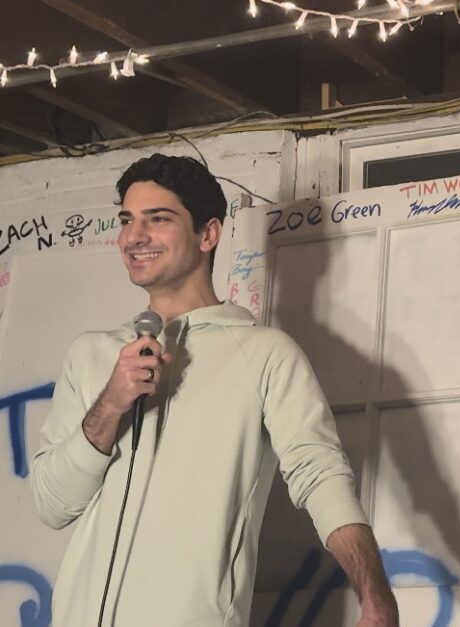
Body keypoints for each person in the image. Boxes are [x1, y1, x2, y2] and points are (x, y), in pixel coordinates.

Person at [30, 153, 399, 627]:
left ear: (208, 234)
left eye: (157, 219)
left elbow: (320, 475)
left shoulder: (266, 353)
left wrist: (375, 598)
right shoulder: (92, 354)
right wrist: (112, 402)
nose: (133, 237)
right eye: (127, 220)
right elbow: (53, 505)